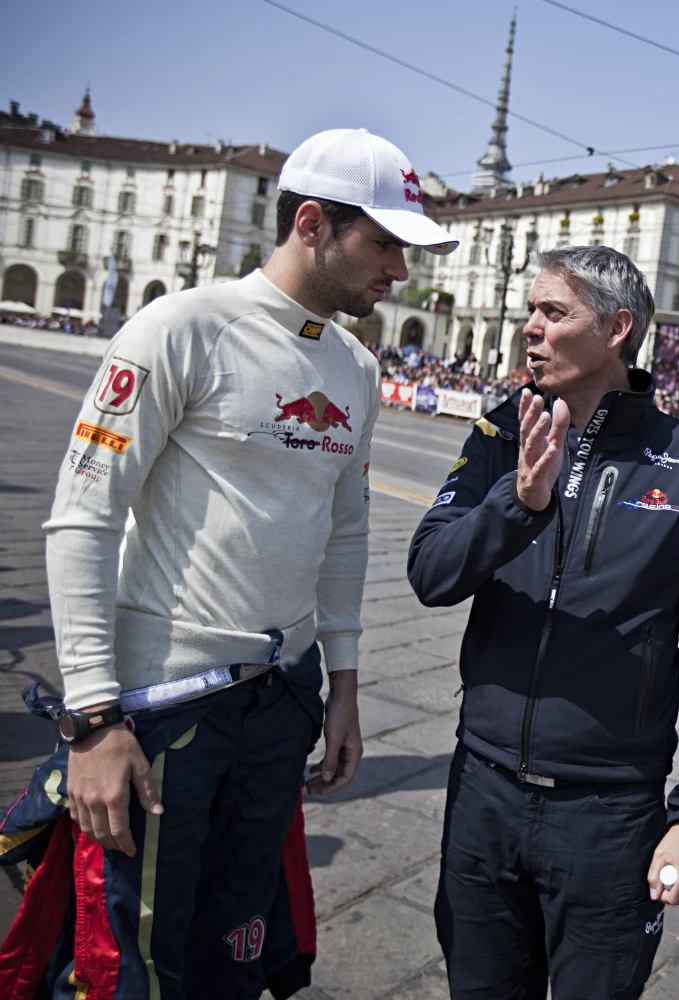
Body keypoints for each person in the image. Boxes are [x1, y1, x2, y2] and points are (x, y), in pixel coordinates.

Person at [0, 129, 458, 999]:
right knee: (132, 964)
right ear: (314, 223)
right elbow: (82, 520)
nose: (401, 270)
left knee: (235, 956)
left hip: (283, 700)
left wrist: (346, 685)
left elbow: (345, 530)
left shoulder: (357, 368)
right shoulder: (181, 327)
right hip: (164, 712)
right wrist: (93, 721)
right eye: (387, 243)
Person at [407, 245, 679, 998]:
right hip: (483, 793)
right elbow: (431, 574)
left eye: (553, 312)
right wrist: (519, 503)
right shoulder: (502, 433)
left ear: (617, 327)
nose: (529, 328)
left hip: (609, 814)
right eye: (529, 310)